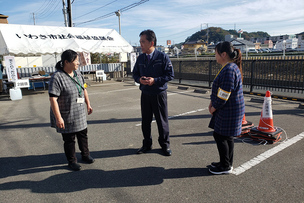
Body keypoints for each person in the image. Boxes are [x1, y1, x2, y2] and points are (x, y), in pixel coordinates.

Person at [48, 49, 94, 171]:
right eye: (76, 60)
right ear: (66, 62)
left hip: (79, 112)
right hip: (66, 114)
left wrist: (88, 104)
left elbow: (84, 89)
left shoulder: (78, 74)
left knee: (83, 135)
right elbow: (53, 99)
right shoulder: (57, 77)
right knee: (69, 139)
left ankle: (85, 155)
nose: (78, 63)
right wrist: (58, 118)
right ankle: (72, 161)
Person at [132, 29, 174, 156]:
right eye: (140, 41)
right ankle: (147, 144)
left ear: (151, 43)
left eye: (143, 42)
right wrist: (139, 79)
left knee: (162, 121)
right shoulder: (140, 58)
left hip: (159, 94)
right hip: (145, 94)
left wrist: (154, 80)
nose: (141, 44)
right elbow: (135, 74)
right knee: (145, 121)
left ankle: (165, 145)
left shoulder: (162, 57)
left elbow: (170, 75)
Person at [208, 41, 245, 175]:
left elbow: (224, 94)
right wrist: (213, 103)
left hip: (228, 109)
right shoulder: (230, 67)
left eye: (216, 53)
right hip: (231, 108)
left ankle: (225, 165)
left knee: (220, 135)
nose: (215, 56)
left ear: (223, 54)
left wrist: (214, 107)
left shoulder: (229, 69)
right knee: (227, 136)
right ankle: (227, 162)